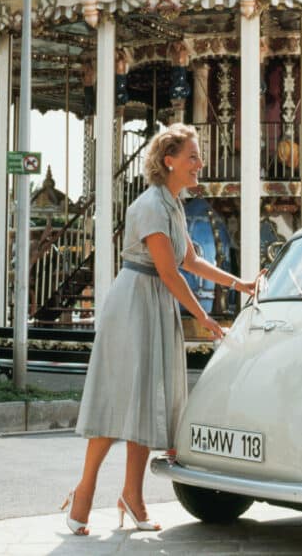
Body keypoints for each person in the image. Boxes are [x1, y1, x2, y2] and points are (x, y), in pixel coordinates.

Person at [63, 124, 258, 536]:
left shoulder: (173, 203)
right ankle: (85, 490)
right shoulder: (151, 205)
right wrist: (203, 317)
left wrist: (238, 284)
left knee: (144, 401)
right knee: (117, 397)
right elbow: (169, 272)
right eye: (193, 157)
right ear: (169, 160)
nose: (199, 164)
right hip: (136, 300)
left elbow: (190, 261)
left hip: (154, 301)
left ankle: (132, 496)